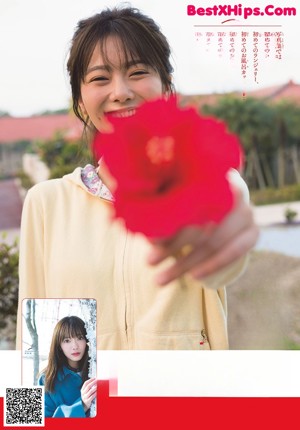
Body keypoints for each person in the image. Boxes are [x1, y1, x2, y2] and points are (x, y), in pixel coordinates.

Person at [17, 6, 259, 350]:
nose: (120, 92)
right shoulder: (46, 203)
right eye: (100, 78)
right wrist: (22, 406)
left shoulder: (212, 182)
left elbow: (220, 263)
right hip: (86, 402)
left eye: (137, 72)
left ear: (166, 86)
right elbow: (34, 341)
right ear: (81, 102)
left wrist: (224, 243)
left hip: (184, 399)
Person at [38, 316, 97, 418]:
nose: (75, 346)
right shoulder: (45, 379)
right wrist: (81, 406)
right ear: (59, 345)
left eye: (80, 338)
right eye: (67, 340)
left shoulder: (98, 370)